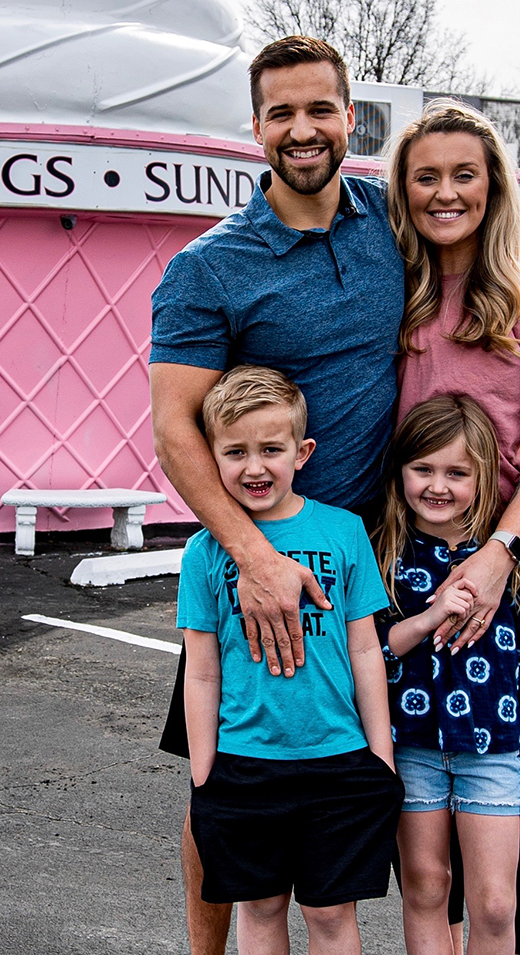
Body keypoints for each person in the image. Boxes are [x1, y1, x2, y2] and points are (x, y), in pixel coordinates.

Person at [151, 36, 520, 954]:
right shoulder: (208, 268)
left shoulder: (385, 225)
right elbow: (176, 431)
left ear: (352, 119)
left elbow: (470, 227)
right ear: (257, 126)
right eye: (282, 113)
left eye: (322, 110)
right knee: (230, 796)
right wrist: (255, 556)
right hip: (274, 565)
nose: (303, 129)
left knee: (504, 826)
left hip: (415, 567)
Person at [386, 99, 520, 954]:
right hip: (400, 582)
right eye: (425, 175)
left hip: (513, 587)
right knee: (425, 856)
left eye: (463, 173)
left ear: (495, 184)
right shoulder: (389, 297)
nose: (445, 192)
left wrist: (501, 556)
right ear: (402, 189)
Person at [179, 365, 403, 955]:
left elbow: (364, 650)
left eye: (271, 449)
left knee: (330, 915)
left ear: (301, 452)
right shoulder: (205, 550)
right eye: (236, 452)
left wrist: (380, 756)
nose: (255, 468)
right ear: (212, 457)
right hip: (245, 764)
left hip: (340, 760)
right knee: (261, 907)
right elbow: (201, 669)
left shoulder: (346, 531)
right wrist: (205, 770)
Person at [372, 394, 520, 955]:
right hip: (413, 750)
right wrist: (430, 615)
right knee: (427, 888)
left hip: (494, 754)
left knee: (496, 904)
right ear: (400, 470)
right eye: (422, 469)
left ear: (483, 477)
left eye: (457, 472)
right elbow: (375, 649)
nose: (437, 486)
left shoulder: (504, 563)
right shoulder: (386, 553)